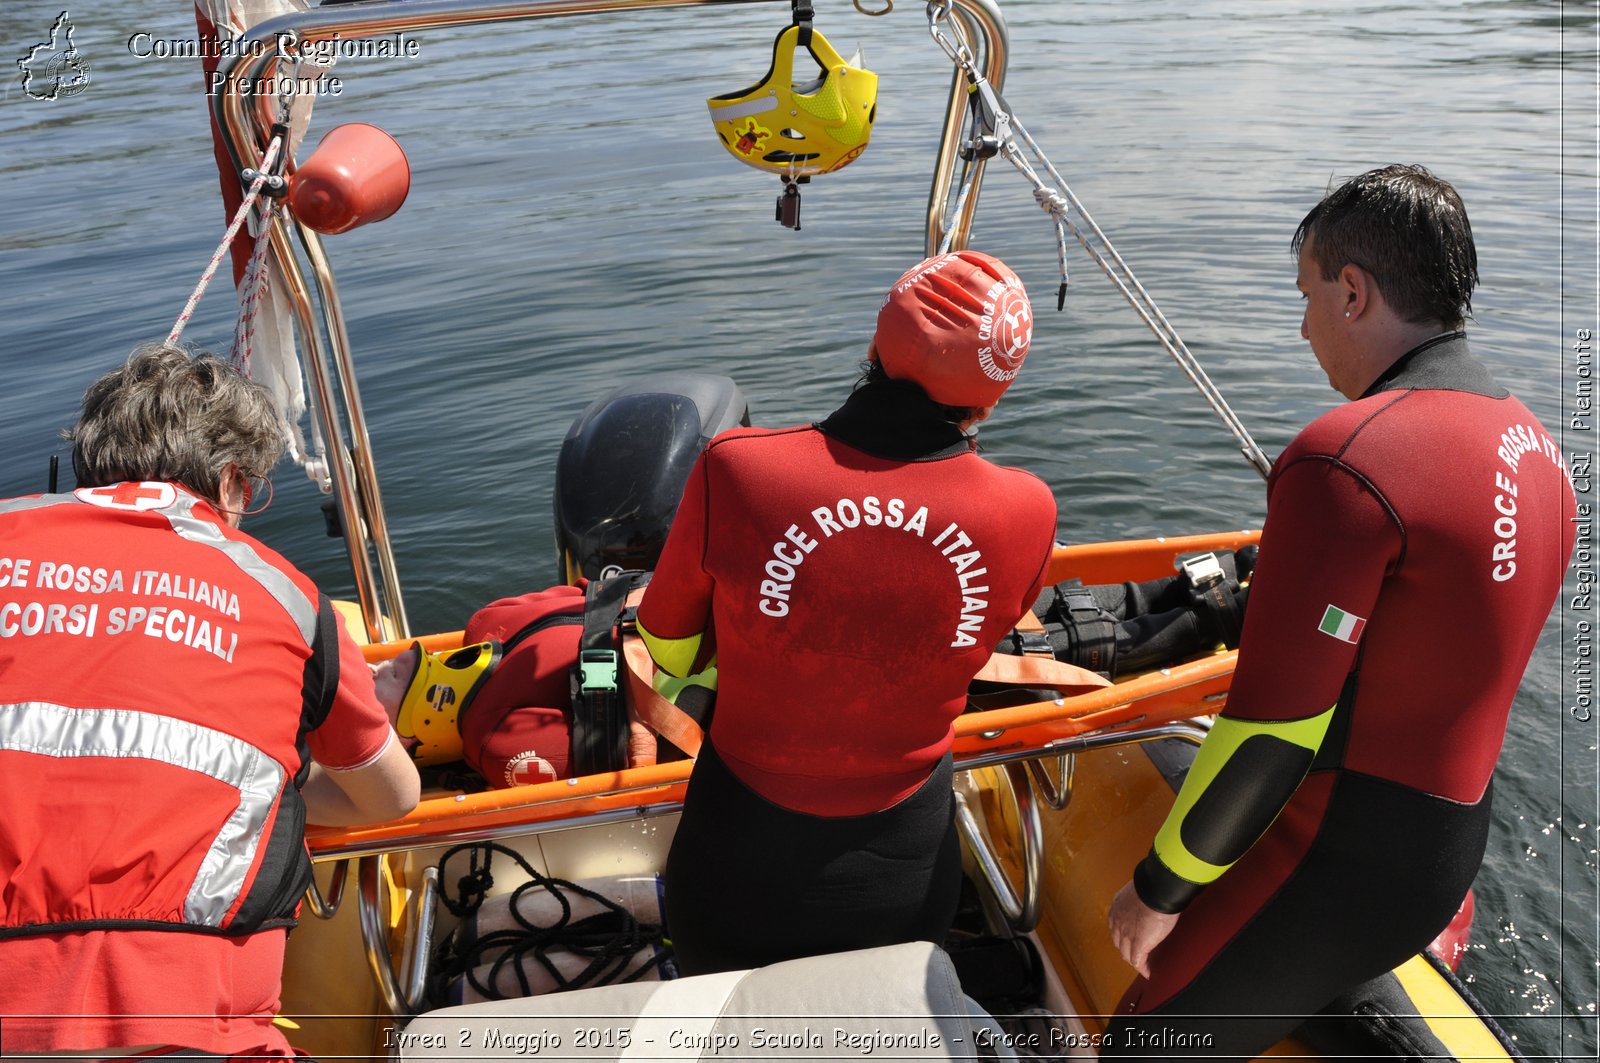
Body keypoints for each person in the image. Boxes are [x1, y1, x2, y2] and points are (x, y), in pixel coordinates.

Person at [1103, 165, 1577, 1058]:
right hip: (1444, 861)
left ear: (1353, 291)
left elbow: (1272, 729)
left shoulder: (1348, 457)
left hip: (1335, 862)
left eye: (1307, 294)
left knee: (1145, 1042)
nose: (1303, 323)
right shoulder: (1537, 449)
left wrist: (1158, 888)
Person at [635, 249, 1060, 974]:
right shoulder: (1027, 509)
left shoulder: (739, 466)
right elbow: (977, 634)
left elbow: (668, 650)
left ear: (874, 346)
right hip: (908, 875)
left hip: (734, 869)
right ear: (993, 397)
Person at [0, 343, 420, 1057]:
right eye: (252, 491)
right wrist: (273, 778)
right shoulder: (286, 596)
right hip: (187, 1033)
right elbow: (392, 799)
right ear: (228, 482)